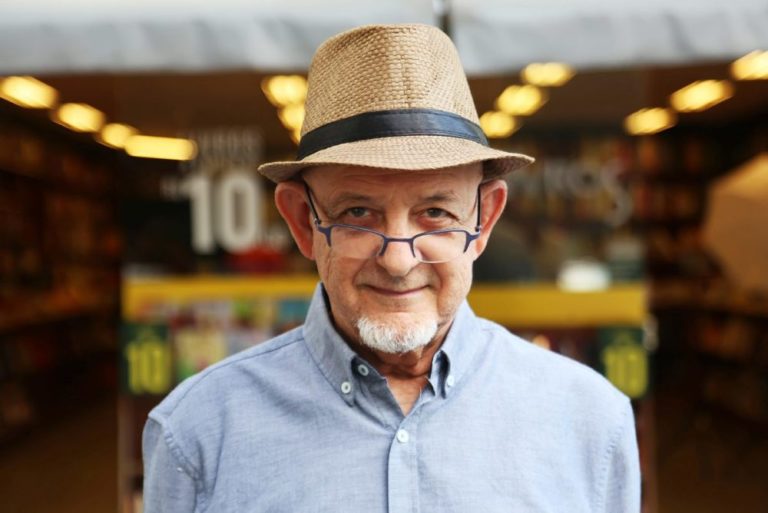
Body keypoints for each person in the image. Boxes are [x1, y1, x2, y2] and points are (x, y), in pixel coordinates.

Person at [142, 23, 641, 512]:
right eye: (358, 213)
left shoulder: (590, 421)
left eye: (436, 213)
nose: (399, 260)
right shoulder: (198, 431)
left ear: (484, 220)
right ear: (302, 222)